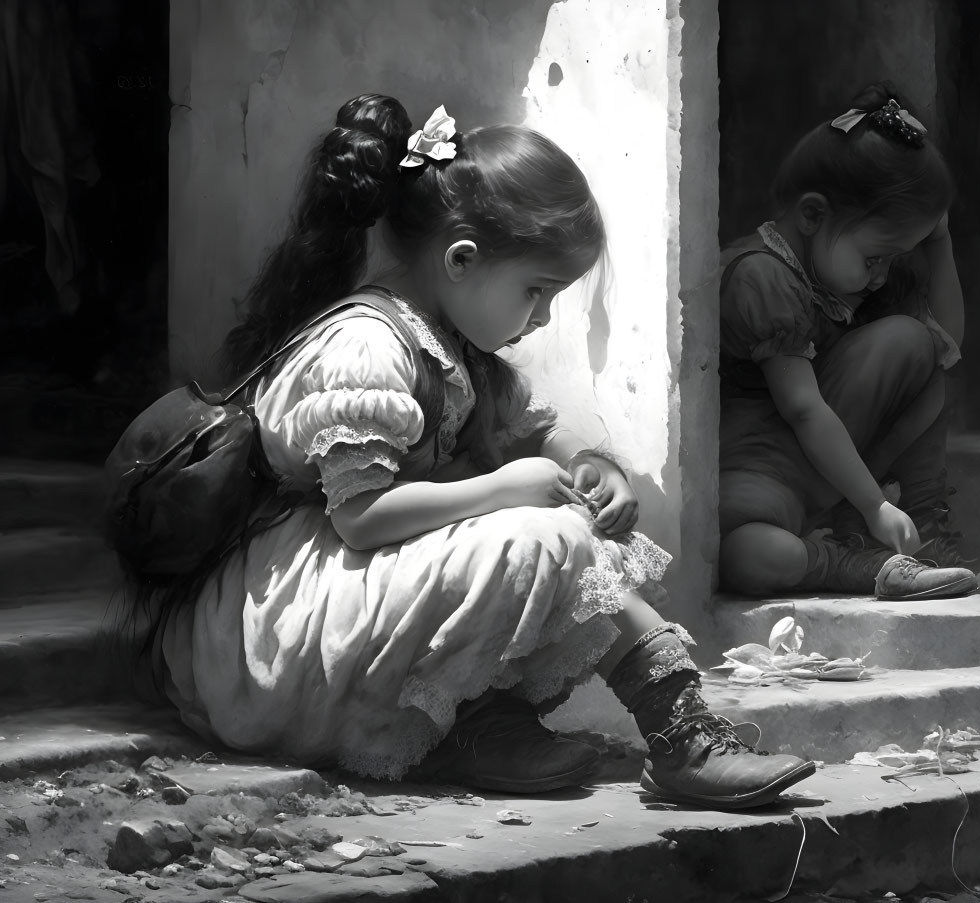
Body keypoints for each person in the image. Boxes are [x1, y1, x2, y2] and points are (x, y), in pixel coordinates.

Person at [148, 94, 815, 810]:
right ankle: (676, 735)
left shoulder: (450, 340)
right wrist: (506, 490)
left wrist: (588, 464)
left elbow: (526, 429)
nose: (542, 316)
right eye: (536, 291)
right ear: (461, 258)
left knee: (563, 525)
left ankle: (490, 719)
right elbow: (362, 517)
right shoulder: (366, 345)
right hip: (285, 628)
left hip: (355, 593)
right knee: (539, 533)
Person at [718, 82, 979, 600]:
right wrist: (874, 504)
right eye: (875, 257)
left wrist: (940, 242)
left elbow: (946, 343)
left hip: (822, 472)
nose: (881, 276)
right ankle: (851, 562)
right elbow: (805, 411)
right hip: (760, 475)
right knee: (751, 554)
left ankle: (921, 527)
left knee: (917, 347)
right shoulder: (762, 278)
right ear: (813, 215)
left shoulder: (838, 273)